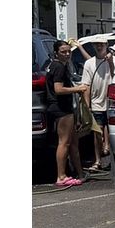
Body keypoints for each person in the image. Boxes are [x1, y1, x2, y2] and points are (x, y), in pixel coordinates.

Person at [45, 40, 89, 187]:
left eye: (69, 51)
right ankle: (61, 176)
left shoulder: (54, 65)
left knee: (73, 142)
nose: (67, 54)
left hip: (63, 107)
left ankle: (80, 173)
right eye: (63, 52)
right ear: (56, 53)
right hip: (61, 108)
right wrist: (77, 89)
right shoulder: (58, 67)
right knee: (64, 142)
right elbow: (58, 89)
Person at [80, 39, 115, 172]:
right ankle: (98, 160)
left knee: (114, 133)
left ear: (107, 45)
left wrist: (111, 62)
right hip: (96, 103)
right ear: (93, 46)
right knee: (97, 133)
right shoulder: (89, 63)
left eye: (102, 44)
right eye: (96, 44)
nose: (99, 46)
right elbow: (86, 85)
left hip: (113, 103)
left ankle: (113, 159)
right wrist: (87, 105)